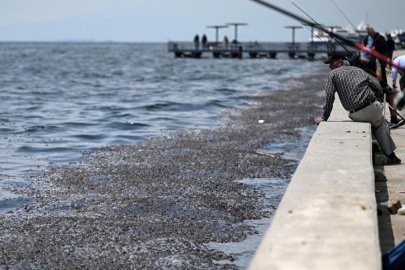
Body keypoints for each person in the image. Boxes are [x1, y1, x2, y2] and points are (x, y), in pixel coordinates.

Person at [316, 52, 401, 164]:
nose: (329, 66)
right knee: (380, 124)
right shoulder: (359, 70)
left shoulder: (333, 74)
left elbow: (330, 96)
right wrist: (378, 100)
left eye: (331, 63)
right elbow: (377, 86)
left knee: (378, 123)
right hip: (373, 107)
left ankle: (381, 153)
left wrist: (325, 117)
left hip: (356, 114)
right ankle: (390, 154)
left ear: (339, 62)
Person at [349, 52, 399, 125]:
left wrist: (372, 83)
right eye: (363, 61)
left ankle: (394, 118)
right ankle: (380, 120)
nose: (365, 62)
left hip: (375, 85)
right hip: (359, 88)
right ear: (359, 56)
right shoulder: (352, 62)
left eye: (367, 61)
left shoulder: (375, 60)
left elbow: (379, 76)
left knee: (394, 93)